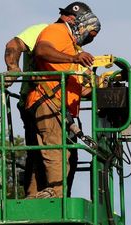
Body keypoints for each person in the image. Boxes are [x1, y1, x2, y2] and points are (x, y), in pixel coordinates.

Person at [24, 2, 101, 198]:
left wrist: (100, 87)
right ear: (70, 18)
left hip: (59, 106)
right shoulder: (57, 30)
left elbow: (77, 87)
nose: (88, 39)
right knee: (57, 151)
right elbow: (42, 50)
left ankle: (34, 196)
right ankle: (57, 196)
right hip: (49, 101)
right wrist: (75, 59)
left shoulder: (71, 45)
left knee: (57, 154)